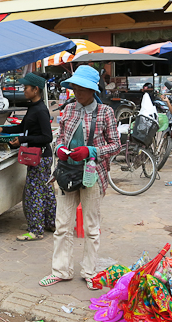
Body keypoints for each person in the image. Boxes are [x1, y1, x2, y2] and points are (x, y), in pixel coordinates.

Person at [39, 66, 121, 289]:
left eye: (81, 88)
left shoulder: (106, 113)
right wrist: (60, 149)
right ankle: (61, 270)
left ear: (92, 89)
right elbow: (60, 137)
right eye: (74, 87)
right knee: (62, 225)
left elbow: (116, 145)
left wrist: (92, 151)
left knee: (91, 227)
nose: (77, 92)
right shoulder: (69, 110)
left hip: (92, 177)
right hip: (66, 174)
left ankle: (89, 272)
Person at [0, 73, 54, 241]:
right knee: (45, 190)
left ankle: (35, 230)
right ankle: (50, 223)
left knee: (34, 193)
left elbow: (47, 137)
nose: (23, 90)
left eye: (26, 88)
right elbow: (23, 126)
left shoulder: (41, 110)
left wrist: (23, 140)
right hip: (36, 155)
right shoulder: (33, 107)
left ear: (35, 90)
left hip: (40, 156)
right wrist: (3, 129)